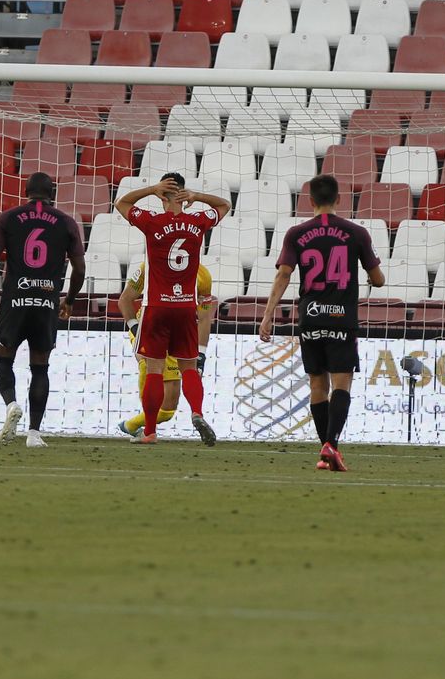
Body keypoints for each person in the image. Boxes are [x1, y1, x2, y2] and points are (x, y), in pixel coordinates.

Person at [258, 175, 385, 471]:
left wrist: (267, 314)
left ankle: (325, 450)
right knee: (342, 382)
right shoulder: (357, 233)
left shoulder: (296, 233)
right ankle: (332, 444)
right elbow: (378, 279)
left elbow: (284, 274)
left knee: (317, 384)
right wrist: (371, 276)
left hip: (311, 317)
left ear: (310, 200)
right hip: (342, 318)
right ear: (339, 199)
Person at [116, 173, 230, 445]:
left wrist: (150, 189)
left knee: (154, 369)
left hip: (156, 306)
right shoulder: (197, 222)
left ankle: (150, 432)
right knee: (189, 367)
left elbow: (122, 203)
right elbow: (224, 205)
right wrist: (196, 197)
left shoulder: (151, 222)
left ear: (162, 196)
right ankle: (197, 412)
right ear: (182, 194)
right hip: (185, 308)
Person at [0, 172, 86, 448]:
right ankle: (34, 434)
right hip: (46, 302)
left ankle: (11, 404)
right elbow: (79, 268)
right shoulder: (67, 222)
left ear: (25, 192)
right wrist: (69, 300)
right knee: (40, 366)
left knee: (3, 359)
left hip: (14, 300)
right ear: (52, 193)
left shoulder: (7, 218)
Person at [116, 261, 216, 438]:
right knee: (150, 366)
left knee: (167, 410)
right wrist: (136, 330)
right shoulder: (148, 266)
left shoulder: (202, 275)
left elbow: (204, 316)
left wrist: (201, 354)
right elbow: (124, 300)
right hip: (151, 326)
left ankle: (133, 426)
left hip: (179, 330)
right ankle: (150, 428)